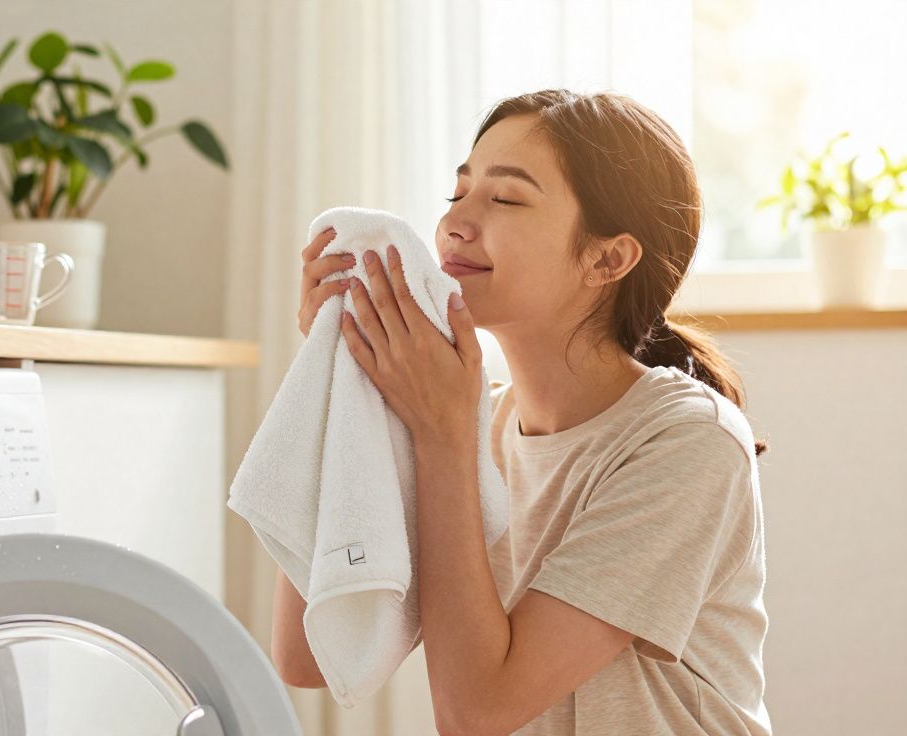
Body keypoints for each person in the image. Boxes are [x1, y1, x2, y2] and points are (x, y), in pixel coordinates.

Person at [277, 89, 771, 735]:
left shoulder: (686, 443)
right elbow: (306, 657)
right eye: (458, 194)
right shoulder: (463, 419)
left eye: (505, 198)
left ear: (606, 258)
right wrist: (341, 378)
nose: (456, 223)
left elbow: (478, 713)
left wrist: (443, 435)